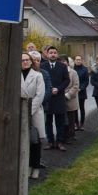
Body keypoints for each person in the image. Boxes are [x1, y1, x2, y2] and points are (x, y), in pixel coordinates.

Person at [20, 51, 46, 180]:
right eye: (22, 60)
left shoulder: (38, 76)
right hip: (19, 111)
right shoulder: (15, 75)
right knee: (22, 141)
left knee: (35, 141)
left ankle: (35, 166)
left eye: (26, 59)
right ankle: (26, 165)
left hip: (34, 112)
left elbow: (40, 95)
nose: (24, 62)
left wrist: (28, 111)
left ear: (31, 61)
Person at [43, 45, 69, 151]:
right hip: (48, 98)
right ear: (47, 54)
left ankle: (60, 142)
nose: (53, 54)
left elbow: (67, 80)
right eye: (51, 52)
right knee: (48, 122)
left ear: (57, 54)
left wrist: (58, 89)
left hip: (59, 97)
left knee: (60, 122)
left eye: (54, 52)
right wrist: (49, 90)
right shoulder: (43, 66)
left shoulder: (62, 66)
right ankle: (50, 141)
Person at [61, 55, 79, 143]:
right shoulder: (58, 72)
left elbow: (75, 86)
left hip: (70, 99)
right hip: (60, 99)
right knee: (62, 119)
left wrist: (67, 95)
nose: (63, 63)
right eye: (61, 61)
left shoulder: (73, 73)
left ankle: (70, 136)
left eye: (64, 61)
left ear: (67, 62)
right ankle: (62, 136)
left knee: (71, 119)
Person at [72, 55, 89, 131]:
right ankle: (76, 123)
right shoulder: (72, 69)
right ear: (74, 61)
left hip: (81, 91)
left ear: (81, 60)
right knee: (74, 108)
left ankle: (82, 124)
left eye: (79, 59)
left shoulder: (85, 69)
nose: (78, 61)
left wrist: (81, 88)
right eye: (77, 59)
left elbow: (86, 81)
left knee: (82, 108)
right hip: (73, 92)